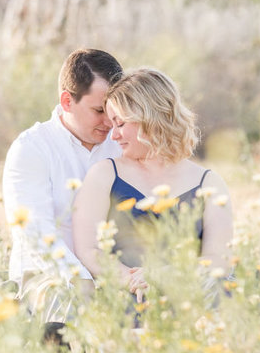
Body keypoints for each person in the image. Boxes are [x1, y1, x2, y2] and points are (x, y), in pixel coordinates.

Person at [72, 67, 233, 306]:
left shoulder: (209, 183)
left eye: (120, 124)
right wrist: (130, 279)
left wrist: (165, 275)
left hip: (193, 295)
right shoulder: (105, 174)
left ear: (149, 118)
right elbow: (88, 249)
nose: (113, 136)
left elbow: (218, 258)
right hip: (126, 296)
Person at [1, 48, 123, 324]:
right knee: (69, 310)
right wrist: (81, 281)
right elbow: (36, 233)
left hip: (116, 272)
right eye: (99, 110)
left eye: (116, 111)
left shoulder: (123, 142)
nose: (110, 122)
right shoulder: (32, 148)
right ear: (67, 101)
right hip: (50, 277)